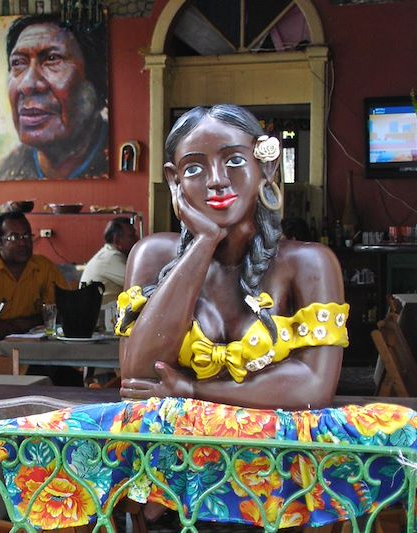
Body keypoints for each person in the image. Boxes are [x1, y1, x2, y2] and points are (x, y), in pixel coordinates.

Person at [116, 104, 348, 411]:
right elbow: (137, 377)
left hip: (274, 453)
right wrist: (204, 241)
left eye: (235, 160)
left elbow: (313, 388)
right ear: (174, 180)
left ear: (266, 168)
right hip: (172, 453)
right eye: (194, 169)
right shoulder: (152, 254)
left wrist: (191, 389)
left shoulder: (309, 263)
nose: (216, 180)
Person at [0, 14, 108, 181]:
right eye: (18, 63)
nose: (27, 84)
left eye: (52, 59)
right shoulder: (4, 172)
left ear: (98, 82)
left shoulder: (115, 159)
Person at [0, 211, 67, 344]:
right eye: (14, 237)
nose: (23, 243)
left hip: (34, 345)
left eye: (27, 236)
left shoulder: (43, 267)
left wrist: (10, 326)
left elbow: (60, 311)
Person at [80, 217, 138, 308]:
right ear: (117, 240)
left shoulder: (109, 254)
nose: (137, 239)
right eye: (132, 236)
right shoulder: (110, 258)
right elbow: (139, 283)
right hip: (100, 318)